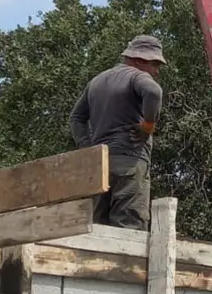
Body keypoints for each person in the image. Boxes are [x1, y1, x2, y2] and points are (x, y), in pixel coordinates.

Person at [69, 34, 166, 230]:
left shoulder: (96, 82)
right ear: (139, 60)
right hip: (128, 160)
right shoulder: (137, 76)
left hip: (99, 167)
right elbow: (154, 92)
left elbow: (76, 118)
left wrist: (89, 148)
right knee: (129, 225)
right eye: (154, 64)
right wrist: (148, 127)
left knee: (99, 228)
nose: (156, 71)